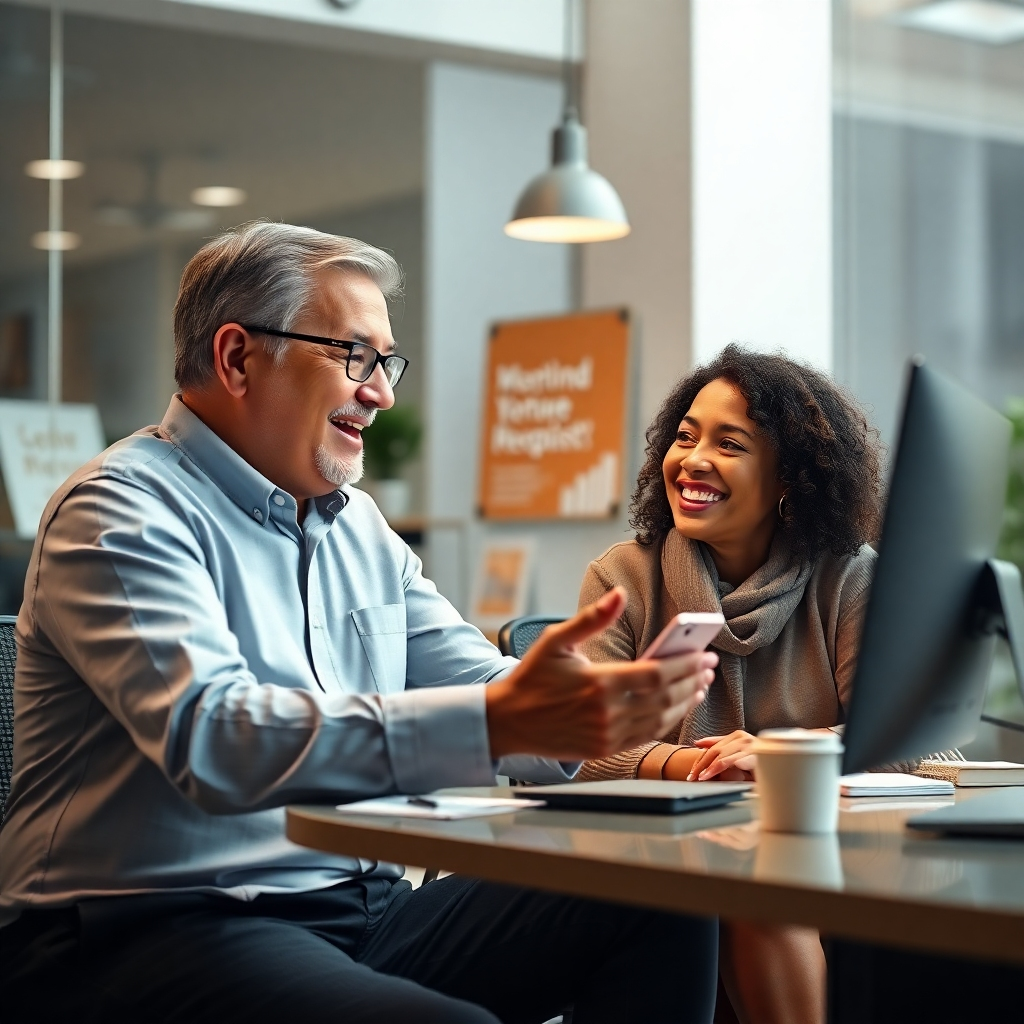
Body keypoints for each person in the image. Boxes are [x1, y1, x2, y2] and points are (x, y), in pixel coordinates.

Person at [0, 222, 721, 1024]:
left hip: (358, 907)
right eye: (354, 356)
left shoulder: (358, 527)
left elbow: (486, 685)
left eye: (386, 362)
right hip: (151, 924)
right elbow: (215, 736)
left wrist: (635, 733)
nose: (381, 392)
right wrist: (499, 718)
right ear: (237, 358)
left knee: (665, 891)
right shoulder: (119, 510)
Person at [576, 346, 886, 1024]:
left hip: (827, 859)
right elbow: (585, 746)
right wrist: (705, 767)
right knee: (752, 884)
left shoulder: (849, 577)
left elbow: (899, 739)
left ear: (789, 479)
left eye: (729, 444)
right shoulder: (622, 578)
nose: (693, 459)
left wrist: (784, 758)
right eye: (685, 437)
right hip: (664, 864)